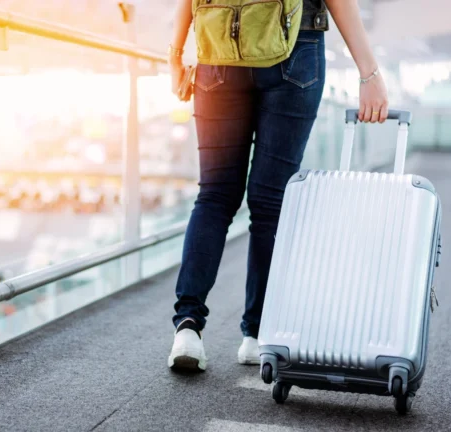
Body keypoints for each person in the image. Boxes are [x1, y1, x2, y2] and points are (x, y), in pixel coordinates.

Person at [167, 0, 389, 371]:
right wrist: (369, 72)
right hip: (294, 46)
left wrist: (175, 55)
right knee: (270, 202)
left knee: (215, 194)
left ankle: (188, 328)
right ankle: (258, 334)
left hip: (219, 47)